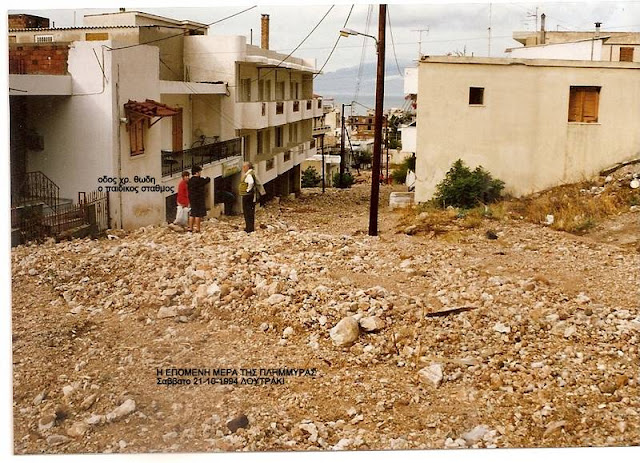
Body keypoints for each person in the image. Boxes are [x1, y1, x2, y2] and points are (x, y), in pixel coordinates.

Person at [187, 165, 210, 233]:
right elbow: (207, 180)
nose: (200, 173)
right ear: (197, 172)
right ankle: (198, 228)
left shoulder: (190, 180)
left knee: (192, 212)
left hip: (192, 198)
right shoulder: (199, 180)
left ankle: (190, 227)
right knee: (198, 214)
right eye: (200, 172)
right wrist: (207, 177)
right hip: (199, 198)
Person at [239, 161, 259, 233]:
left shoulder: (249, 175)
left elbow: (251, 182)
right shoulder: (251, 173)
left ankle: (249, 228)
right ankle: (250, 227)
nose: (243, 168)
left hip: (247, 195)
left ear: (248, 167)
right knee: (250, 211)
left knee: (247, 211)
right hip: (250, 195)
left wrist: (247, 190)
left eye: (244, 167)